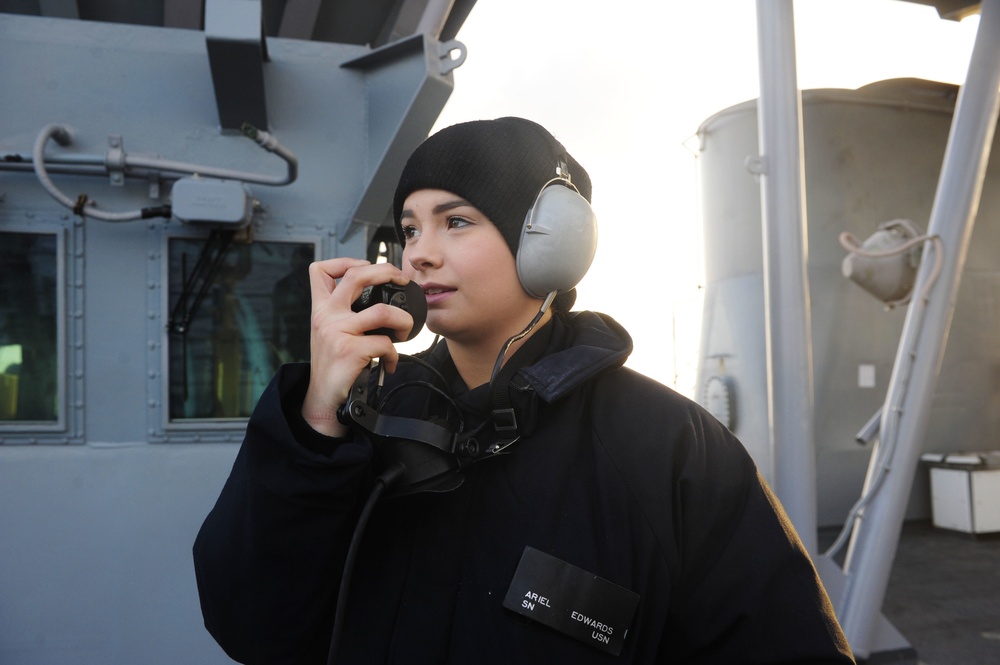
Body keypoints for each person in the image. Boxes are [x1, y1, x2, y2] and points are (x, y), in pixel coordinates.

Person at [193, 117, 855, 664]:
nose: (419, 252)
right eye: (410, 227)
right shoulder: (363, 421)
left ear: (552, 241)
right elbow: (250, 625)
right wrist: (314, 421)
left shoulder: (666, 446)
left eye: (455, 221)